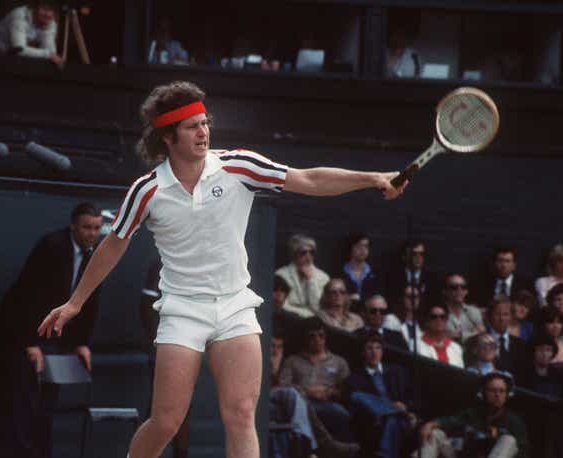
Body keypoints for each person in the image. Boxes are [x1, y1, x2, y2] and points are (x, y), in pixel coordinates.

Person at [36, 80, 407, 458]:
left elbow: (308, 178)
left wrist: (373, 178)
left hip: (234, 306)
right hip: (182, 309)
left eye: (205, 122)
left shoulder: (239, 165)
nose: (203, 132)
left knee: (242, 413)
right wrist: (75, 303)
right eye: (192, 126)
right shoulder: (147, 190)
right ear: (168, 136)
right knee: (166, 420)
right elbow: (113, 245)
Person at [0, 202, 103, 458]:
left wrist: (82, 343)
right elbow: (27, 295)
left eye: (97, 228)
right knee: (24, 403)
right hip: (25, 333)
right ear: (73, 227)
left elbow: (89, 300)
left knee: (47, 404)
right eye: (87, 227)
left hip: (55, 336)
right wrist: (29, 343)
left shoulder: (96, 254)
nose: (92, 233)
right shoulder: (52, 247)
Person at [419, 372, 529, 458]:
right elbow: (450, 422)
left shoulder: (514, 421)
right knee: (436, 434)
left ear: (507, 395)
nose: (497, 395)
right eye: (492, 390)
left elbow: (523, 452)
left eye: (501, 391)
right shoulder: (473, 413)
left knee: (509, 440)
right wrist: (430, 425)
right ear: (483, 393)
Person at [279, 318, 353, 443]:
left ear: (326, 337)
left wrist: (329, 392)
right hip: (301, 404)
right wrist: (307, 391)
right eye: (312, 336)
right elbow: (283, 385)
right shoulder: (292, 361)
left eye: (321, 336)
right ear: (305, 339)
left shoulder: (339, 362)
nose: (317, 340)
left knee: (342, 414)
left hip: (328, 403)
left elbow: (346, 388)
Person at [345, 332, 416, 458]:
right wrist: (393, 408)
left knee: (392, 420)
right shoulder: (354, 378)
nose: (374, 352)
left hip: (401, 420)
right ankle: (391, 410)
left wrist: (405, 406)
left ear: (382, 351)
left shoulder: (398, 372)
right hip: (373, 421)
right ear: (362, 352)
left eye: (378, 348)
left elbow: (415, 398)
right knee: (357, 396)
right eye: (369, 348)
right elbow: (356, 409)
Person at [0, 1, 62, 66]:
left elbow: (52, 53)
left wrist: (45, 31)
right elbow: (18, 50)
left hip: (16, 60)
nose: (48, 14)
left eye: (52, 10)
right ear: (34, 8)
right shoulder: (19, 16)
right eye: (44, 9)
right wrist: (48, 55)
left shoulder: (50, 22)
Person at [275, 234, 330, 318]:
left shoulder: (323, 277)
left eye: (311, 252)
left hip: (315, 320)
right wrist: (307, 314)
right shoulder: (281, 274)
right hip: (289, 318)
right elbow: (282, 305)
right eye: (303, 253)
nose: (308, 257)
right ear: (294, 254)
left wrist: (310, 280)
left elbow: (317, 306)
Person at [519, 332, 563, 399]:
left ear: (553, 352)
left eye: (548, 350)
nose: (544, 354)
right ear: (533, 351)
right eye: (540, 349)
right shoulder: (524, 375)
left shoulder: (559, 376)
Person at [486, 296, 528, 378]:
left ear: (511, 317)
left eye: (505, 314)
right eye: (497, 314)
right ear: (490, 316)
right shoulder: (478, 341)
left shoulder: (521, 345)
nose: (501, 318)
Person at [340, 233, 381, 311]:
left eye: (366, 246)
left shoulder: (375, 273)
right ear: (350, 248)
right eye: (359, 246)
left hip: (371, 313)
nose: (363, 250)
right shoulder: (340, 272)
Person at [443, 273, 485, 344]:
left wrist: (459, 335)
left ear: (466, 291)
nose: (459, 290)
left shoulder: (474, 311)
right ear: (445, 291)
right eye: (454, 287)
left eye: (463, 287)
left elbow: (481, 334)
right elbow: (441, 337)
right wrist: (472, 333)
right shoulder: (439, 313)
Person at [418, 304, 464, 368]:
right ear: (427, 321)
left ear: (446, 320)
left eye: (442, 317)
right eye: (434, 317)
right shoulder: (417, 345)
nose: (439, 320)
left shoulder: (456, 348)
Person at [383, 285, 423, 352]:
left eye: (415, 297)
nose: (412, 300)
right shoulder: (391, 320)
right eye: (409, 296)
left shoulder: (422, 325)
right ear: (402, 298)